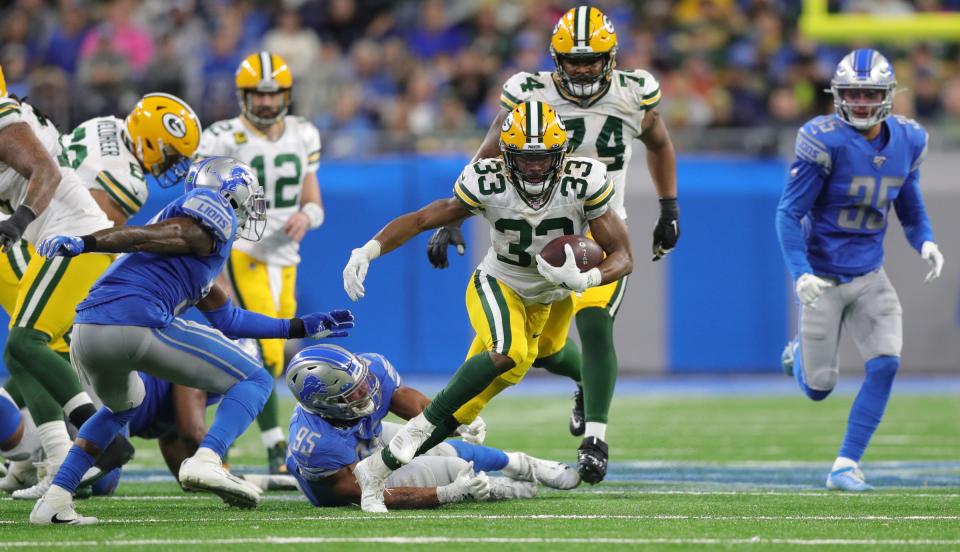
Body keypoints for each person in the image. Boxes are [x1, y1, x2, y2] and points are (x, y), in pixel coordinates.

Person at [425, 6, 678, 483]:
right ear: (555, 57)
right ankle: (582, 378)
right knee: (539, 351)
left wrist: (670, 207)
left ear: (611, 57)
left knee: (595, 319)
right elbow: (491, 150)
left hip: (600, 233)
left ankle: (596, 440)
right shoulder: (528, 91)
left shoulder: (633, 93)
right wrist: (455, 216)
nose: (582, 67)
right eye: (573, 58)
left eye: (592, 58)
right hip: (542, 236)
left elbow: (660, 144)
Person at [27, 157, 354, 525]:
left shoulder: (195, 257)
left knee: (121, 407)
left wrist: (298, 327)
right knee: (256, 378)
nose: (253, 206)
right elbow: (154, 236)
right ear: (229, 192)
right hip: (135, 319)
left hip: (88, 332)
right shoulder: (211, 213)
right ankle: (207, 458)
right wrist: (86, 243)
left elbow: (230, 319)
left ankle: (55, 499)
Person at [342, 100, 633, 512]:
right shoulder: (487, 181)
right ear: (506, 156)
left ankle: (375, 469)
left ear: (562, 154)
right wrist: (368, 250)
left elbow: (623, 255)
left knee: (464, 410)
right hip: (499, 283)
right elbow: (426, 218)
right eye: (524, 159)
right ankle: (416, 429)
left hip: (548, 299)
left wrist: (588, 279)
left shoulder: (583, 182)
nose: (534, 169)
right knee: (509, 352)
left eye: (543, 159)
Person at [776, 49, 944, 492]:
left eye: (870, 93)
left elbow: (909, 205)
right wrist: (801, 273)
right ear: (838, 95)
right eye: (853, 93)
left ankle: (845, 465)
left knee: (886, 363)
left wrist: (924, 240)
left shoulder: (908, 139)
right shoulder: (822, 139)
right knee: (819, 387)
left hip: (871, 275)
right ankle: (798, 354)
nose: (862, 102)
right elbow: (787, 214)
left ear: (888, 95)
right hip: (824, 278)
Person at [0, 63, 137, 501]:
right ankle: (60, 462)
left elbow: (47, 171)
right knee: (21, 355)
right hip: (56, 240)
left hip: (70, 236)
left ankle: (100, 438)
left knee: (25, 344)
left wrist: (17, 222)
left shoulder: (4, 115)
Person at [196, 51, 325, 473]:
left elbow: (312, 198)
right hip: (244, 251)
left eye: (274, 95)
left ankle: (220, 440)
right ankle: (273, 448)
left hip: (285, 256)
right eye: (259, 95)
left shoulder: (303, 133)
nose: (268, 103)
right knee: (267, 349)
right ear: (243, 95)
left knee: (268, 351)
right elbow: (197, 198)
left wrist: (307, 216)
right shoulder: (221, 137)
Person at [284, 344, 580, 509]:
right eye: (354, 393)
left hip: (363, 436)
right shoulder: (315, 442)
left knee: (446, 447)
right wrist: (446, 493)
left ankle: (523, 464)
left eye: (365, 383)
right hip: (345, 478)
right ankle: (508, 489)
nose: (367, 392)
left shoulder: (371, 369)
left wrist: (455, 419)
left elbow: (410, 404)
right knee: (454, 471)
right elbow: (363, 491)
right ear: (325, 403)